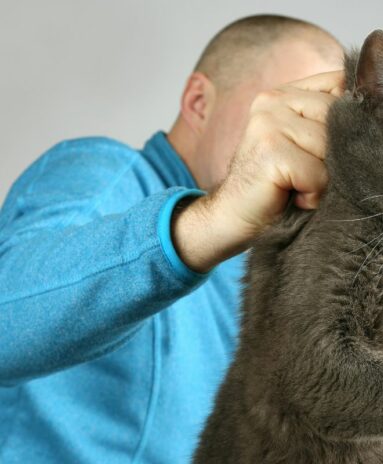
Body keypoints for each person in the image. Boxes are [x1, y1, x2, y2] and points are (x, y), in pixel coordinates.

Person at [0, 14, 344, 463]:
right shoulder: (106, 175)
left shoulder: (257, 269)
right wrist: (216, 218)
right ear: (198, 102)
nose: (310, 143)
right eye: (292, 110)